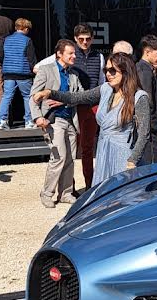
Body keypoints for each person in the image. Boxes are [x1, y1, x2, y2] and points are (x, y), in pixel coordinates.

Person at [34, 52, 150, 187]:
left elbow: (144, 134)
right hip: (103, 151)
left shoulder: (139, 97)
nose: (108, 74)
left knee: (123, 197)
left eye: (113, 71)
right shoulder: (105, 89)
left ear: (126, 72)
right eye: (106, 70)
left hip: (124, 155)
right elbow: (76, 97)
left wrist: (132, 160)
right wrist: (50, 93)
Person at [35, 23, 105, 188]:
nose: (85, 42)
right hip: (73, 108)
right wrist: (59, 92)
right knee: (70, 150)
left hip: (92, 107)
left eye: (88, 38)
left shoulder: (99, 57)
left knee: (88, 149)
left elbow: (102, 83)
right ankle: (69, 188)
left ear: (93, 38)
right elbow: (38, 68)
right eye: (81, 39)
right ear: (75, 39)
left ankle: (89, 185)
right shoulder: (70, 54)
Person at [30, 39, 82, 208]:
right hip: (54, 121)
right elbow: (33, 96)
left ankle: (66, 193)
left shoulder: (74, 74)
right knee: (58, 158)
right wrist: (38, 117)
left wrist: (64, 101)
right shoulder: (46, 70)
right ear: (59, 54)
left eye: (74, 53)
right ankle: (46, 193)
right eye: (71, 53)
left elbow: (80, 96)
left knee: (70, 159)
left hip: (71, 121)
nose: (74, 56)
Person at [0, 17, 37, 129]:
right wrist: (34, 70)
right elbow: (31, 58)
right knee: (27, 96)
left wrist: (7, 64)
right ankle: (29, 121)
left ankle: (1, 121)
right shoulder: (27, 40)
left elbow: (0, 56)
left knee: (7, 96)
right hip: (23, 73)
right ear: (26, 28)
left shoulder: (6, 39)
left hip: (8, 73)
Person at [136, 35, 157, 162]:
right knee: (152, 166)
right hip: (149, 131)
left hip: (149, 129)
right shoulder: (144, 70)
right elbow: (148, 103)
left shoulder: (145, 69)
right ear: (147, 52)